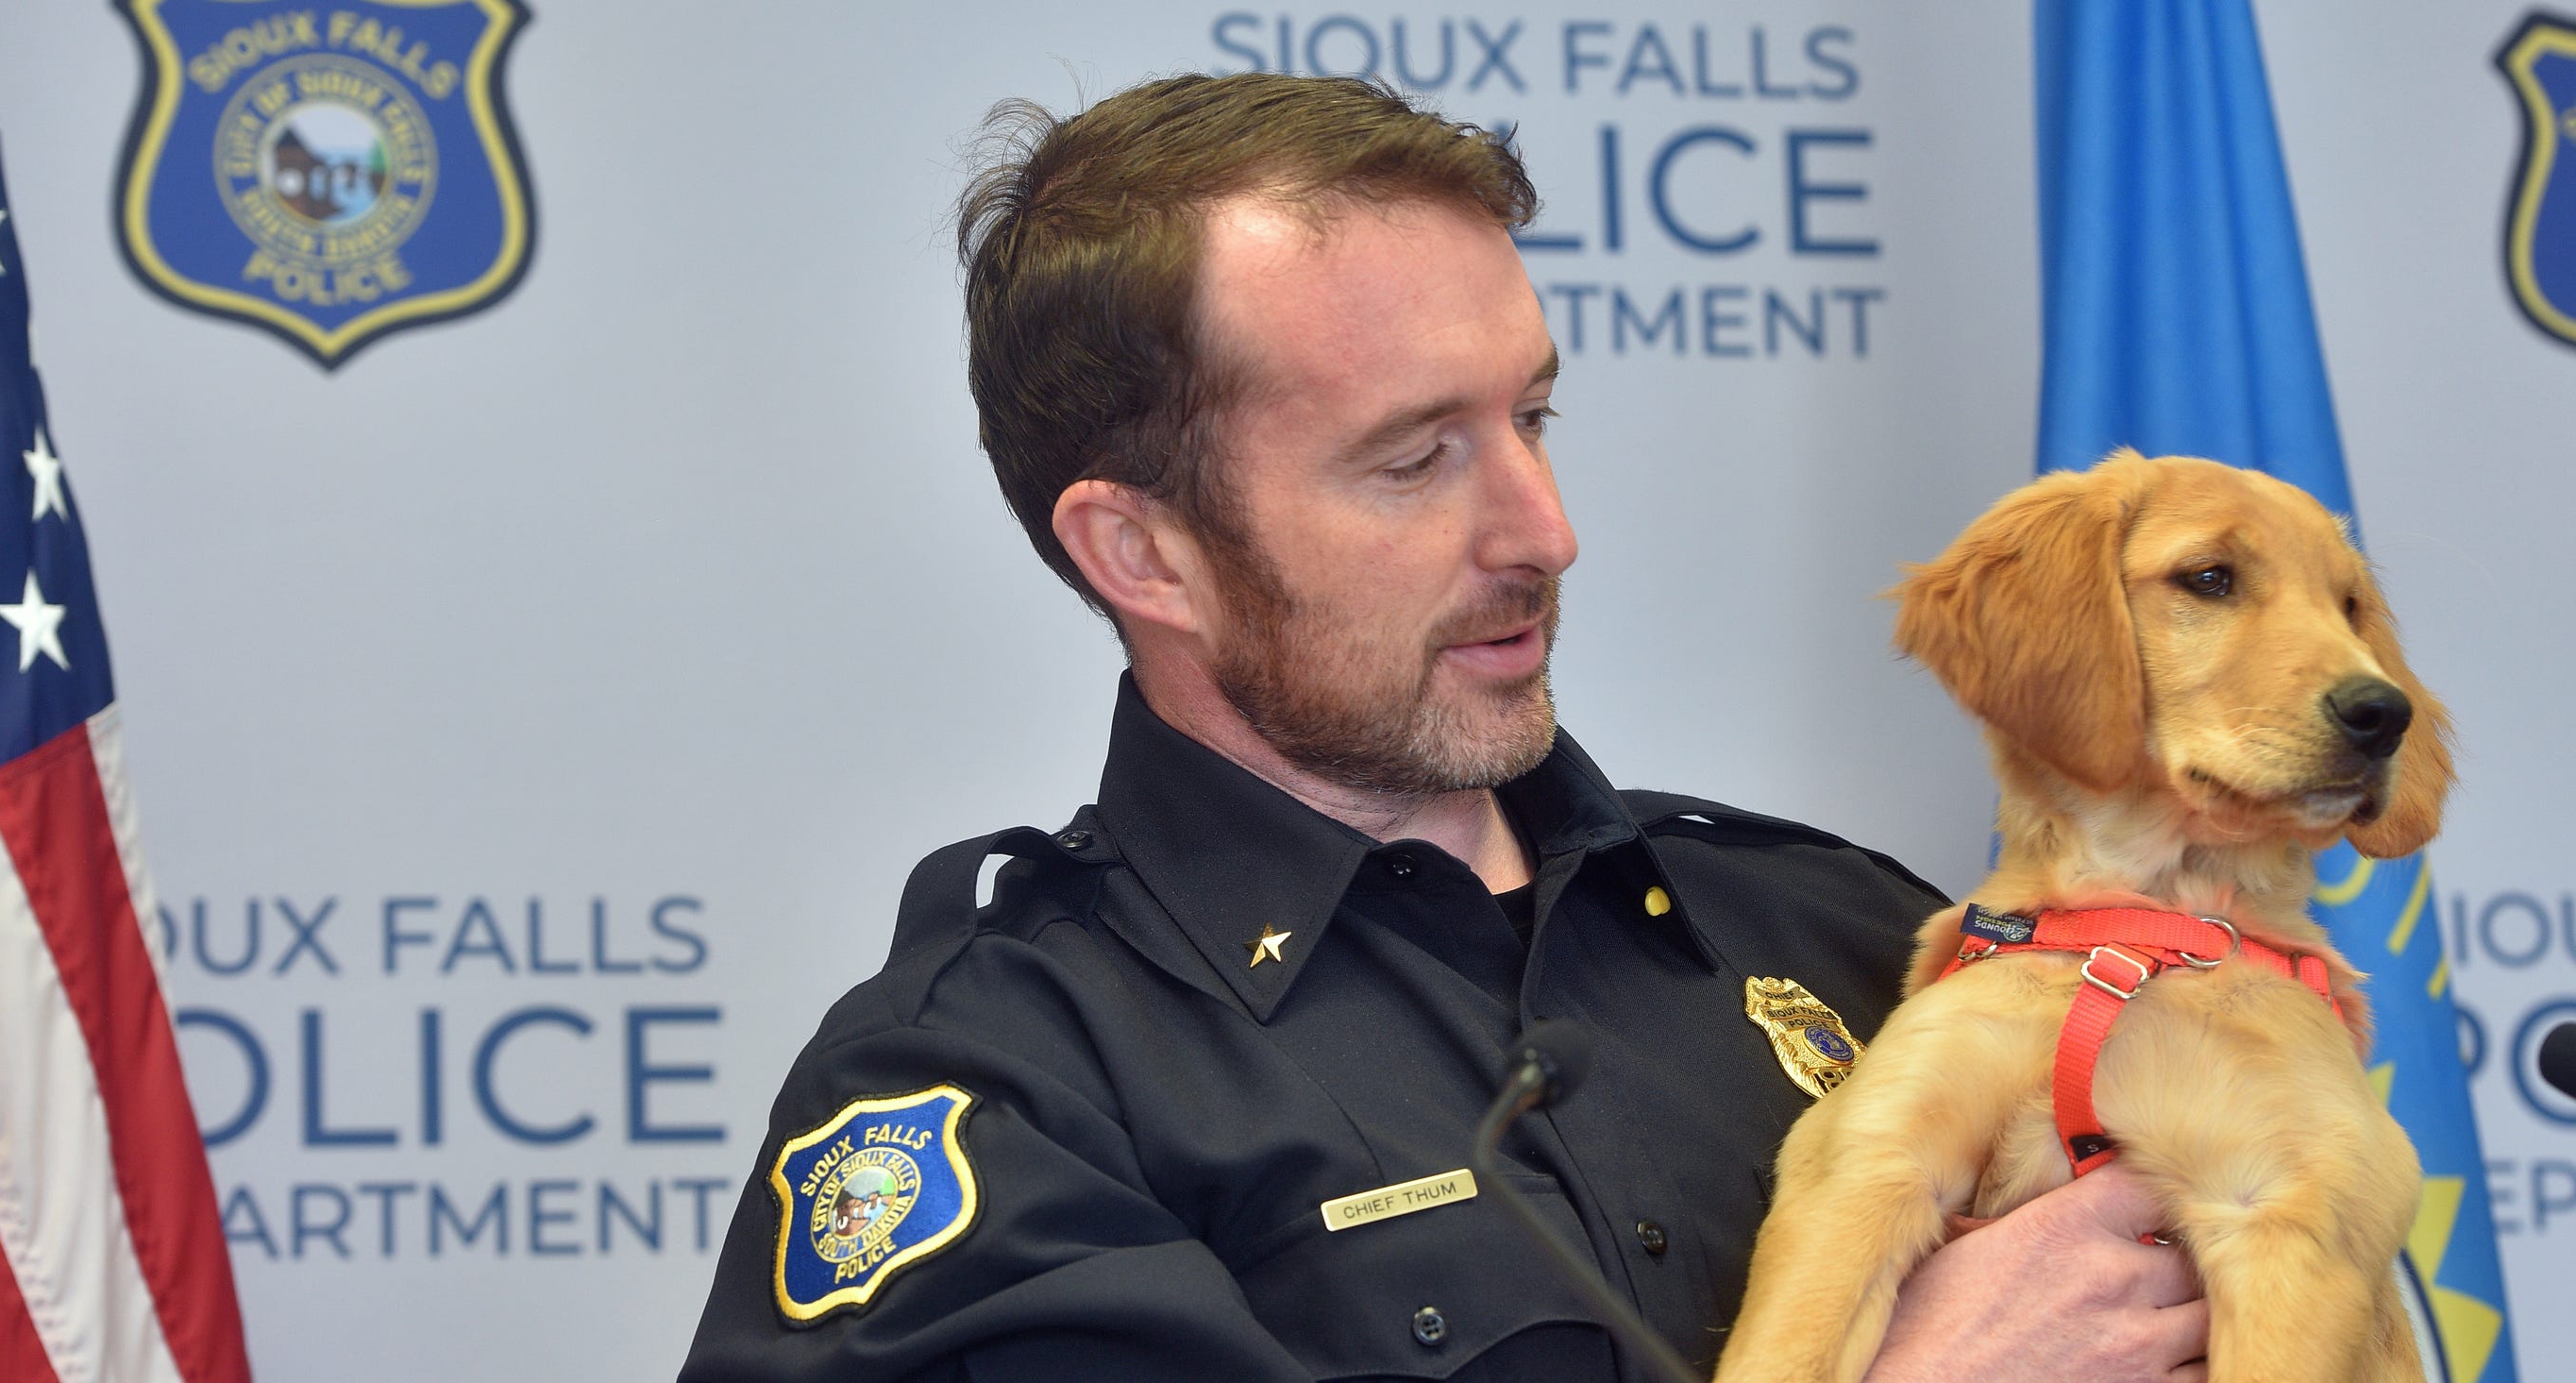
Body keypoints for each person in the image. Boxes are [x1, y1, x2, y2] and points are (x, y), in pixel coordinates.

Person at [679, 73, 2208, 1382]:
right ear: (1144, 553)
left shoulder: (1849, 928)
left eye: (1530, 419)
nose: (1544, 530)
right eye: (1414, 461)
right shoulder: (1002, 1090)